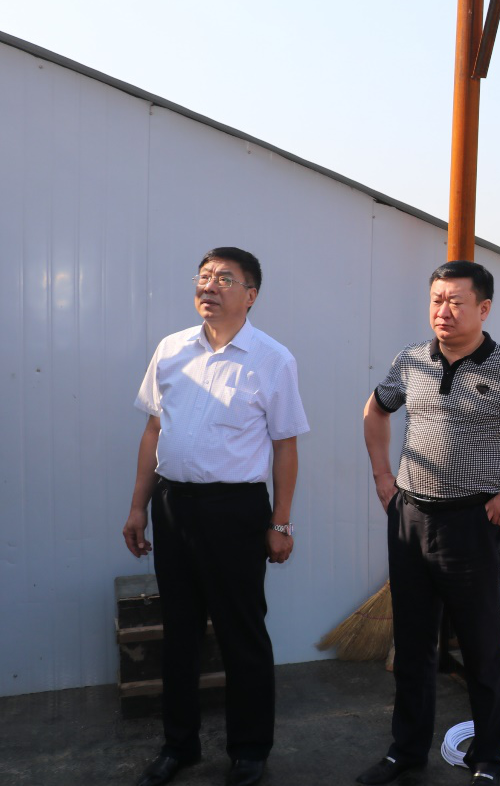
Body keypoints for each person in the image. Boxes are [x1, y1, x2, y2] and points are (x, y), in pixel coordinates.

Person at [359, 260, 500, 786]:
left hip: (472, 522)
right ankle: (405, 751)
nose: (444, 311)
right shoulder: (411, 360)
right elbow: (376, 409)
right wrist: (383, 477)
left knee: (481, 647)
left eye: (456, 302)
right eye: (437, 299)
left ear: (484, 308)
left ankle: (488, 758)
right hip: (409, 516)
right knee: (413, 644)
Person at [123, 247, 309, 786]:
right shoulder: (172, 349)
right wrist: (138, 506)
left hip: (236, 512)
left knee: (240, 633)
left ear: (251, 295)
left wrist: (280, 522)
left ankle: (249, 751)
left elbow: (285, 445)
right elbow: (153, 431)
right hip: (173, 506)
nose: (209, 286)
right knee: (178, 632)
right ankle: (178, 746)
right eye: (204, 277)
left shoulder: (272, 359)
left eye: (224, 278)